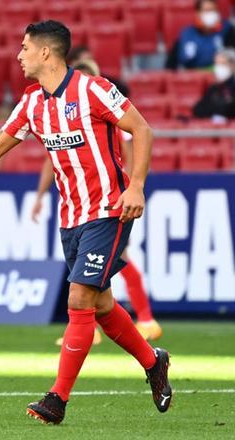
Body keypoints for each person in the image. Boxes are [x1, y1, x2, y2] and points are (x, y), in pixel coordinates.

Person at [0, 20, 172, 425]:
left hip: (109, 210)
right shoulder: (31, 103)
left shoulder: (93, 89)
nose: (18, 55)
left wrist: (137, 187)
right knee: (100, 305)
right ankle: (153, 362)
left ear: (46, 52)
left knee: (79, 299)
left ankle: (56, 399)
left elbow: (142, 129)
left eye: (24, 48)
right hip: (71, 218)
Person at [31, 58, 163, 345]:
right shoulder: (56, 119)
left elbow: (133, 149)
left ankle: (144, 318)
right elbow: (49, 160)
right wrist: (41, 196)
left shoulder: (110, 116)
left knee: (115, 262)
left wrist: (131, 187)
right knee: (98, 279)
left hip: (109, 202)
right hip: (79, 207)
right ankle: (120, 327)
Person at [165, 0, 235, 70]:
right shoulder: (186, 35)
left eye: (213, 10)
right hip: (193, 79)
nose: (210, 14)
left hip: (217, 79)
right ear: (197, 13)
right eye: (206, 11)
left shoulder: (227, 30)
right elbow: (171, 64)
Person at [192, 48, 235, 121]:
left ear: (233, 65)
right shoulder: (214, 88)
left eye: (222, 64)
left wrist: (215, 107)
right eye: (217, 64)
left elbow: (234, 110)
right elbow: (197, 109)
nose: (219, 67)